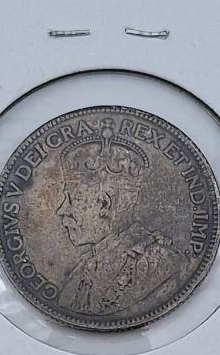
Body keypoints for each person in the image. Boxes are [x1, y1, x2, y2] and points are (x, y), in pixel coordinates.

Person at [51, 125, 176, 321]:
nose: (62, 210)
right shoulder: (84, 269)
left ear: (104, 204)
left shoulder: (162, 262)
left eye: (72, 199)